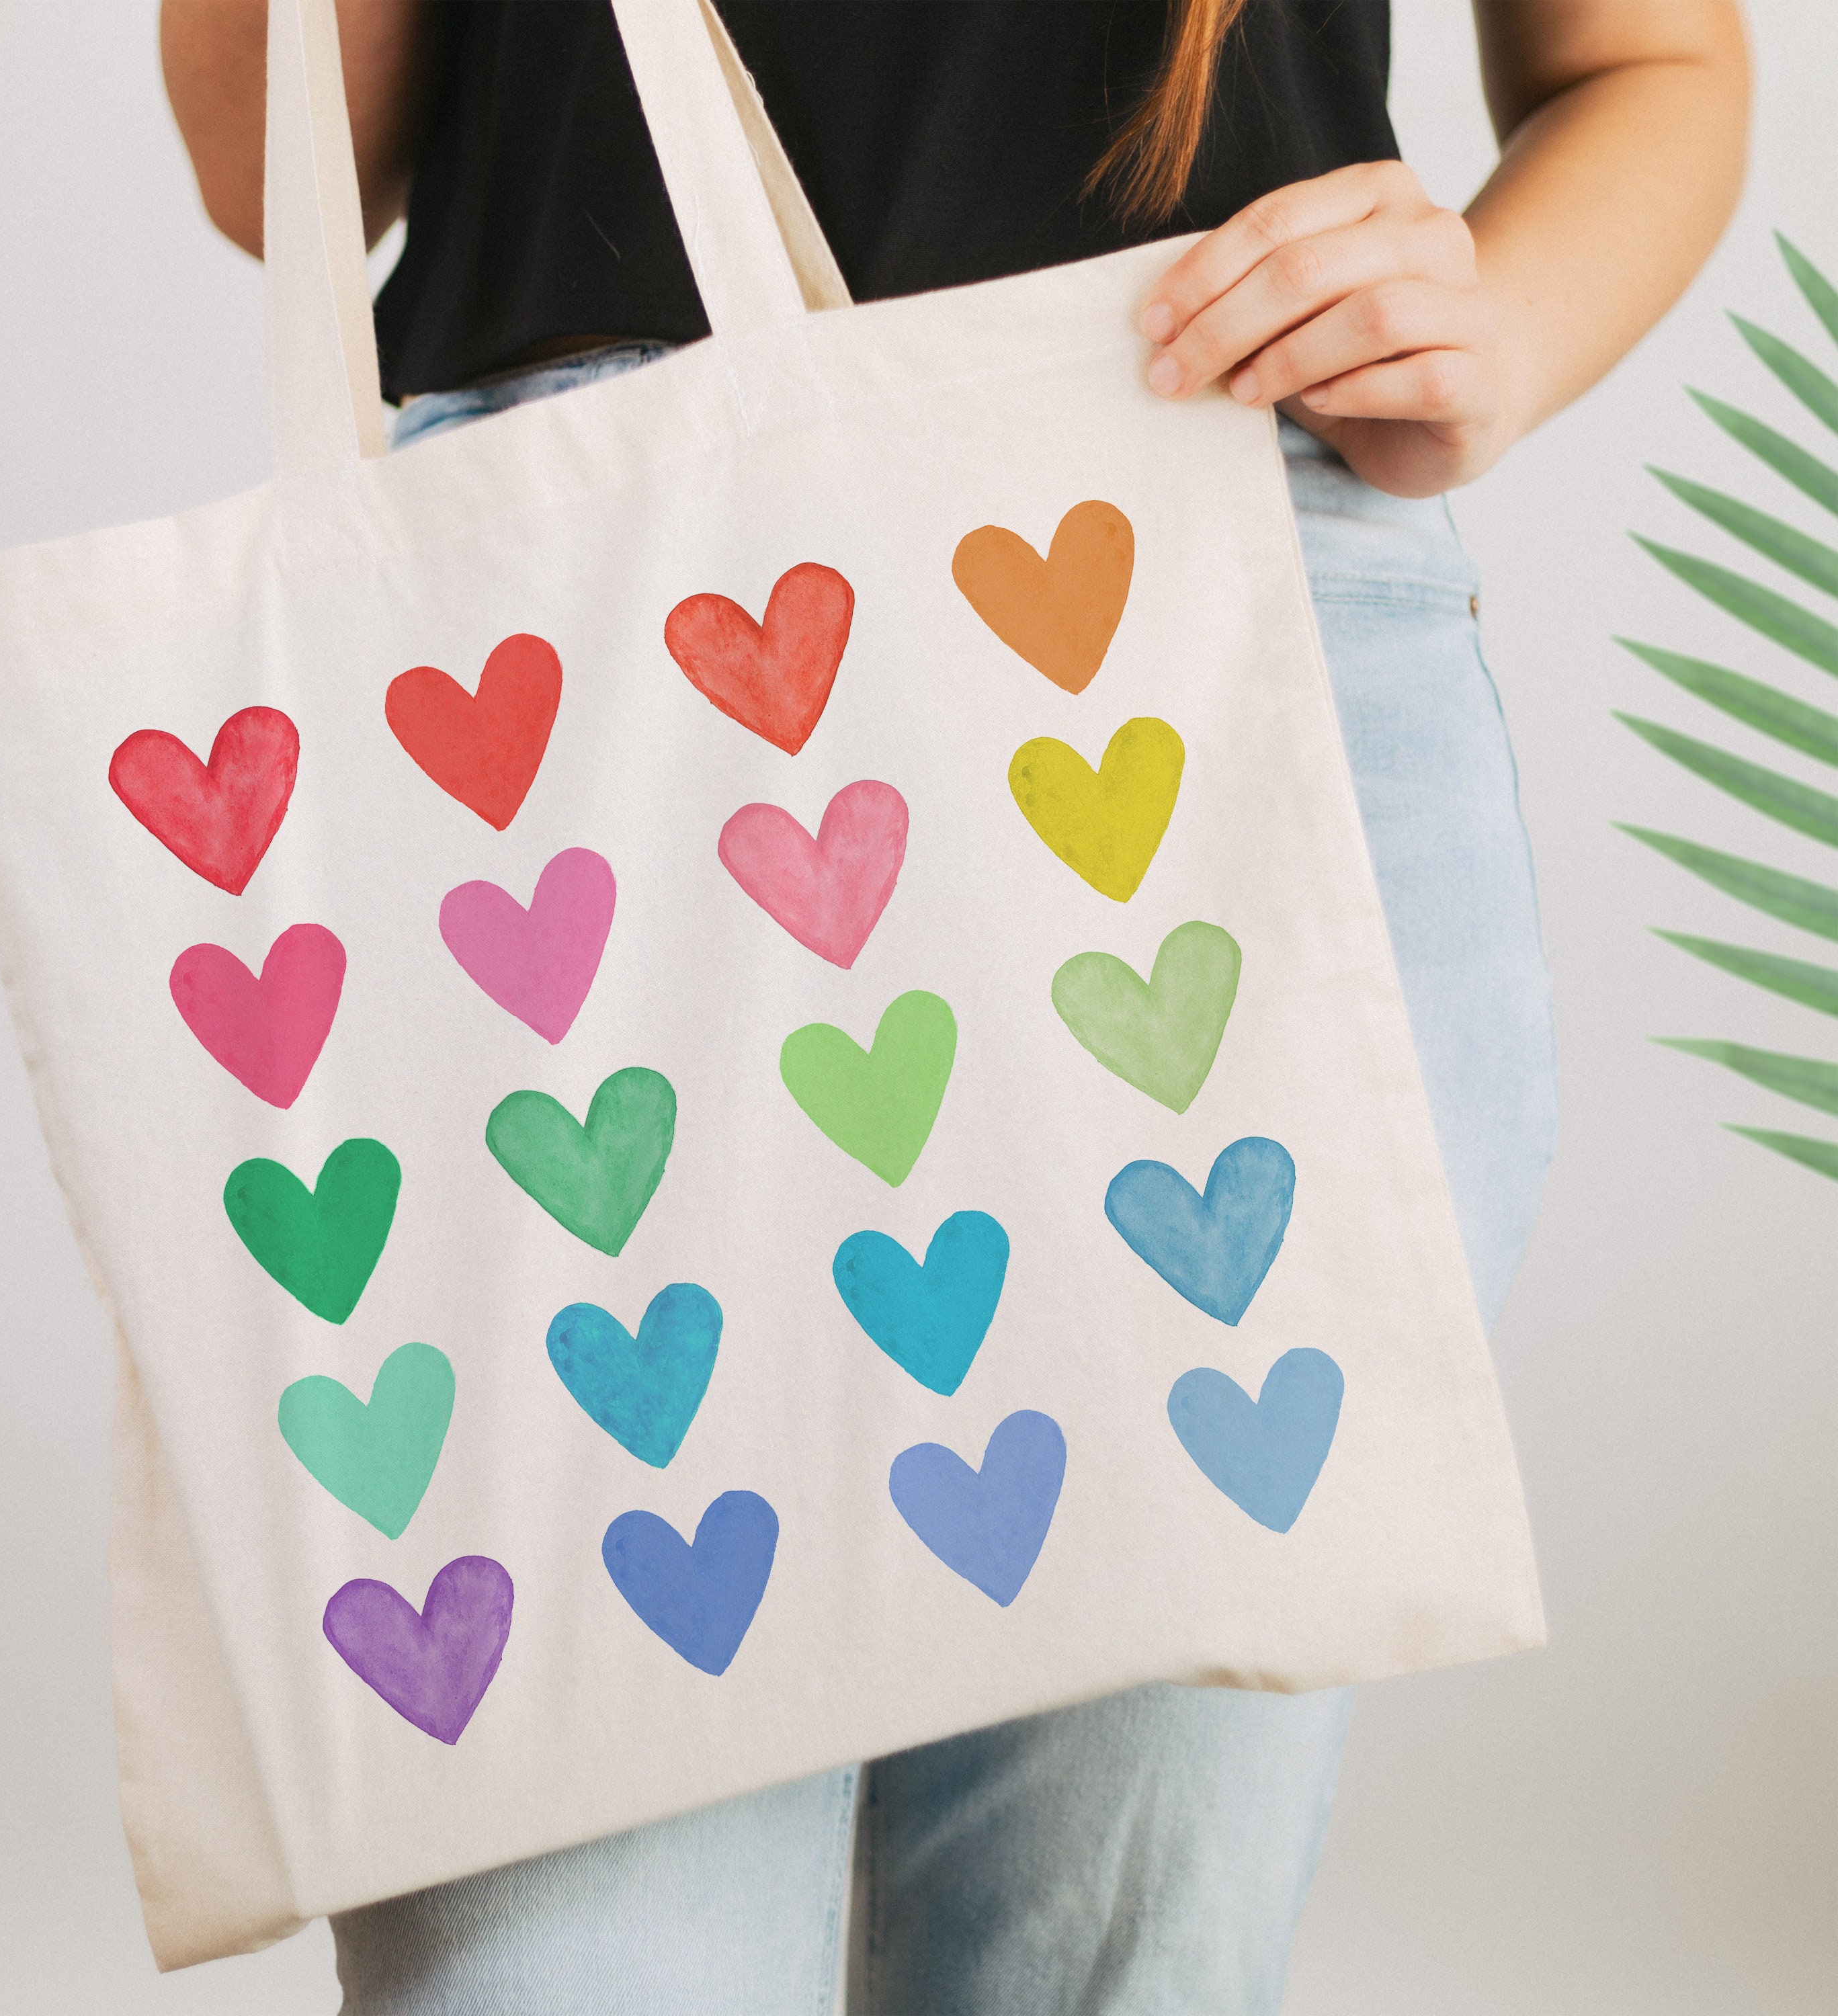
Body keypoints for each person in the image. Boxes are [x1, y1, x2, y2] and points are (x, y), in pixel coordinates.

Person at [161, 5, 1749, 2011]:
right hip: (571, 713)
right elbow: (268, 160)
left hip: (1206, 649)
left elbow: (1656, 68)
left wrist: (1496, 326)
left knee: (1106, 1969)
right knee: (558, 1968)